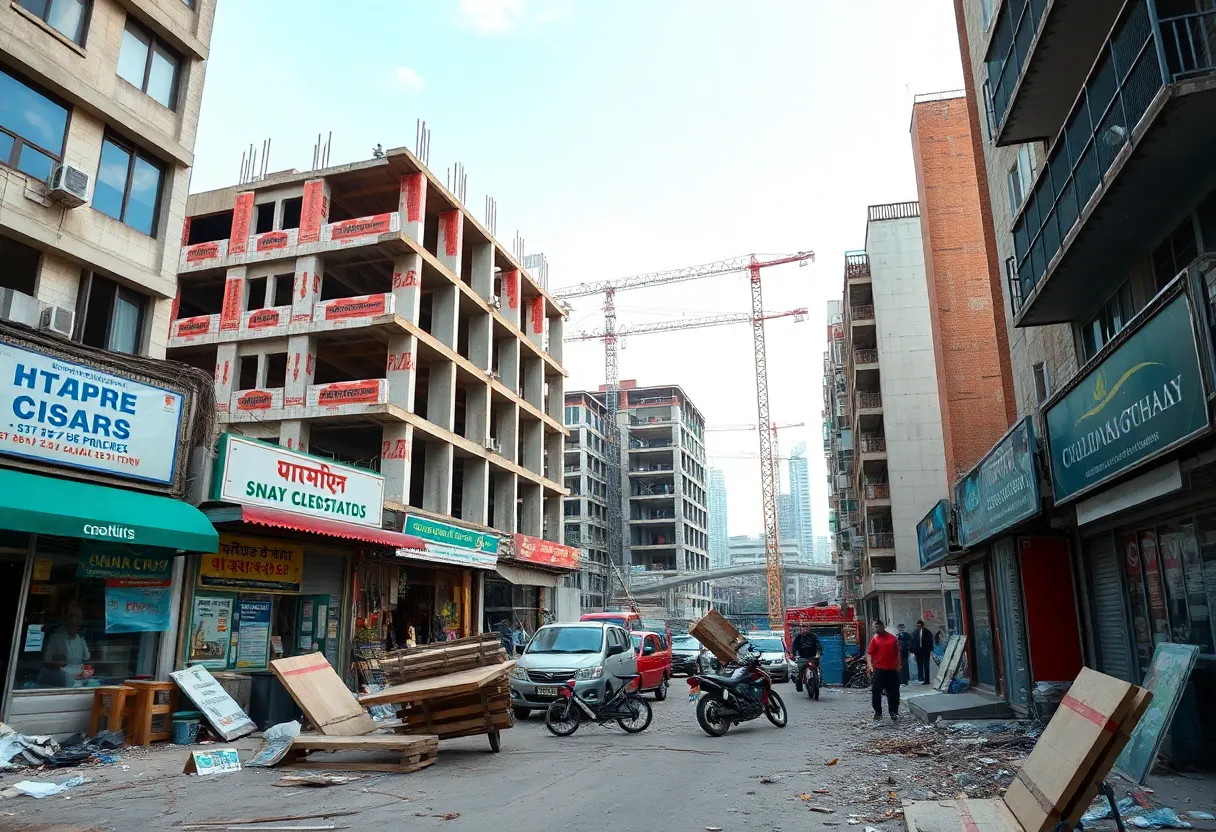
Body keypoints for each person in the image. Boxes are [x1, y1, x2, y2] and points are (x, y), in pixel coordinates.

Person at [41, 603, 91, 688]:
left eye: (79, 617)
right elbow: (48, 661)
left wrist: (86, 671)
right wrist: (59, 663)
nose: (76, 620)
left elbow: (86, 659)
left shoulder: (80, 639)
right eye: (72, 616)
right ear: (66, 619)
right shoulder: (56, 638)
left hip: (80, 673)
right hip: (63, 674)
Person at [866, 618, 901, 722]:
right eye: (874, 627)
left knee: (894, 693)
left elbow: (897, 652)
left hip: (892, 669)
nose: (875, 629)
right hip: (879, 670)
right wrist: (870, 667)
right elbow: (870, 654)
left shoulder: (892, 639)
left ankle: (893, 712)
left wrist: (899, 665)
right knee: (876, 692)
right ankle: (878, 712)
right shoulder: (875, 640)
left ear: (882, 626)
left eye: (877, 626)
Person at [790, 624, 822, 692]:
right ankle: (799, 686)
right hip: (803, 658)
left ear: (809, 628)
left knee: (819, 669)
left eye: (806, 628)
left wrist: (818, 653)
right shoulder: (799, 637)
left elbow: (819, 645)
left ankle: (820, 682)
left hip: (813, 657)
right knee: (800, 672)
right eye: (803, 628)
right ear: (801, 629)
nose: (805, 629)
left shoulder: (813, 636)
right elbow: (794, 646)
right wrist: (793, 654)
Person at [913, 619, 934, 685]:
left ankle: (927, 679)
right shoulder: (915, 632)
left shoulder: (927, 632)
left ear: (922, 625)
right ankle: (920, 677)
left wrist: (930, 649)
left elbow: (930, 641)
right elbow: (913, 642)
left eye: (919, 626)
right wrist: (914, 650)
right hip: (918, 652)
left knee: (926, 666)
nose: (918, 627)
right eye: (917, 626)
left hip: (925, 651)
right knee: (919, 665)